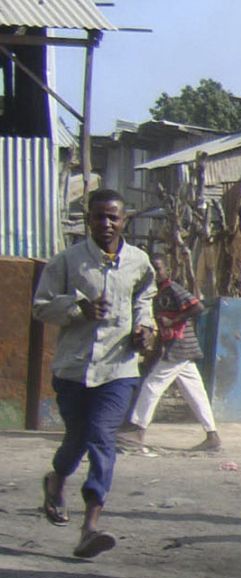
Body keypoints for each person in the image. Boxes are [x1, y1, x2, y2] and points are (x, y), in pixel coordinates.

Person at [34, 188, 156, 558]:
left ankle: (90, 527)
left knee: (102, 437)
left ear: (124, 221)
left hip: (118, 370)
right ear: (88, 219)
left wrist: (145, 328)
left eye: (113, 217)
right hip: (74, 370)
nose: (106, 223)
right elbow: (41, 307)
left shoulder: (138, 261)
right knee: (77, 439)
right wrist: (77, 309)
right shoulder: (68, 261)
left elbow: (144, 301)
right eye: (99, 216)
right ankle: (56, 483)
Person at [118, 256, 223, 452]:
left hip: (180, 346)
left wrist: (174, 321)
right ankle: (212, 435)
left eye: (158, 269)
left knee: (151, 386)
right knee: (195, 393)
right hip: (179, 347)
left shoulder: (173, 288)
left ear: (168, 271)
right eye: (152, 270)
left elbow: (198, 306)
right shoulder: (156, 293)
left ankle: (138, 431)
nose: (155, 274)